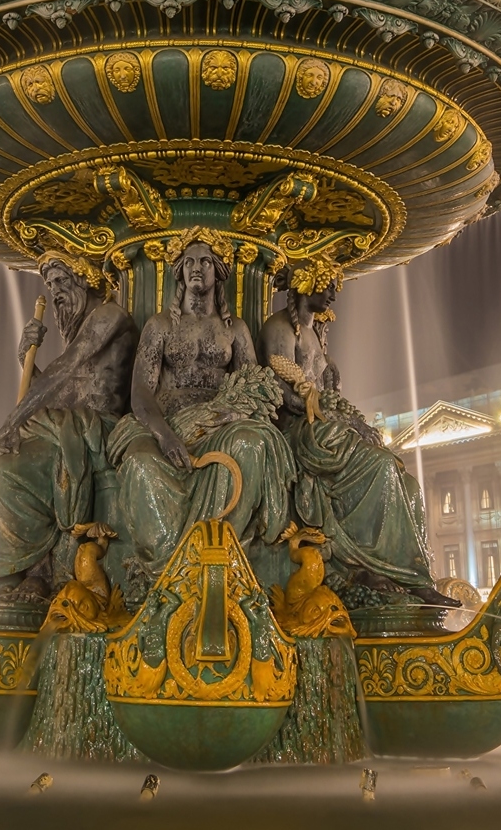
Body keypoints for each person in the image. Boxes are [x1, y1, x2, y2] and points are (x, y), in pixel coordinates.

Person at [0, 252, 136, 608]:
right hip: (56, 424)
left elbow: (65, 372)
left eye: (62, 281)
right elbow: (62, 390)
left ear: (87, 278)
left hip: (89, 430)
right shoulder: (79, 330)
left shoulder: (109, 316)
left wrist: (12, 422)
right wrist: (25, 362)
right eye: (50, 284)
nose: (55, 291)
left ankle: (7, 576)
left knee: (2, 471)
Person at [103, 235, 291, 594]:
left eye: (204, 262)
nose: (196, 268)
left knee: (252, 443)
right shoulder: (160, 326)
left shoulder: (235, 330)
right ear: (179, 273)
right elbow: (141, 391)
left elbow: (256, 385)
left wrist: (228, 414)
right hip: (164, 421)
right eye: (189, 262)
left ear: (218, 272)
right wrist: (164, 434)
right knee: (141, 464)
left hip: (220, 421)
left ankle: (224, 556)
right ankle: (169, 570)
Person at [260, 261, 448, 607]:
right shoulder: (280, 327)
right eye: (327, 283)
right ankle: (362, 565)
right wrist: (330, 414)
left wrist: (342, 414)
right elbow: (278, 391)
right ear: (305, 280)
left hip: (326, 427)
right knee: (378, 466)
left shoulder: (316, 336)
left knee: (405, 481)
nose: (333, 293)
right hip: (298, 429)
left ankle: (410, 576)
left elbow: (330, 397)